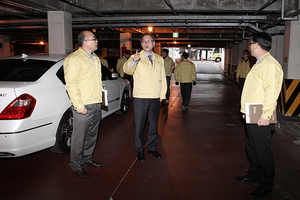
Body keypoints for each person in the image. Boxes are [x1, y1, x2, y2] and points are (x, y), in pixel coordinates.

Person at [236, 32, 283, 198]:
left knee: (263, 151)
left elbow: (272, 92)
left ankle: (266, 184)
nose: (249, 47)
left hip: (261, 115)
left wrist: (266, 115)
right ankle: (254, 175)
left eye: (250, 44)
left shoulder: (270, 65)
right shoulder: (259, 63)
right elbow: (253, 90)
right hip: (252, 112)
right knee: (252, 147)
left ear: (256, 45)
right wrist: (245, 111)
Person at [64, 30, 103, 178]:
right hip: (83, 105)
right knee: (79, 137)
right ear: (85, 42)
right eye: (94, 39)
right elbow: (71, 84)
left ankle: (87, 158)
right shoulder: (74, 59)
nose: (97, 41)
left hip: (96, 102)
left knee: (92, 135)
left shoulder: (95, 58)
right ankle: (76, 165)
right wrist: (78, 105)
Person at [123, 33, 167, 162]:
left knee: (153, 125)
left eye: (149, 41)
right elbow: (127, 70)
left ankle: (152, 148)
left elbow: (162, 78)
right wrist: (134, 61)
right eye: (144, 41)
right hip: (140, 97)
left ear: (153, 43)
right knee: (139, 127)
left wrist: (162, 95)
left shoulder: (159, 58)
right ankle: (140, 150)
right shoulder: (135, 57)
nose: (146, 43)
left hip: (154, 97)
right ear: (141, 44)